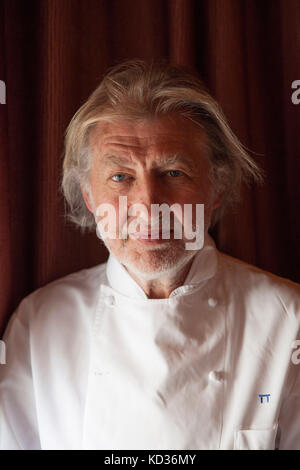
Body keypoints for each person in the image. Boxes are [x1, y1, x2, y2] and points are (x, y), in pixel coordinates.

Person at [0, 60, 299, 450]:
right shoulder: (40, 325)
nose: (148, 204)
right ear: (89, 195)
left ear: (218, 187)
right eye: (121, 177)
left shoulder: (288, 320)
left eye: (173, 173)